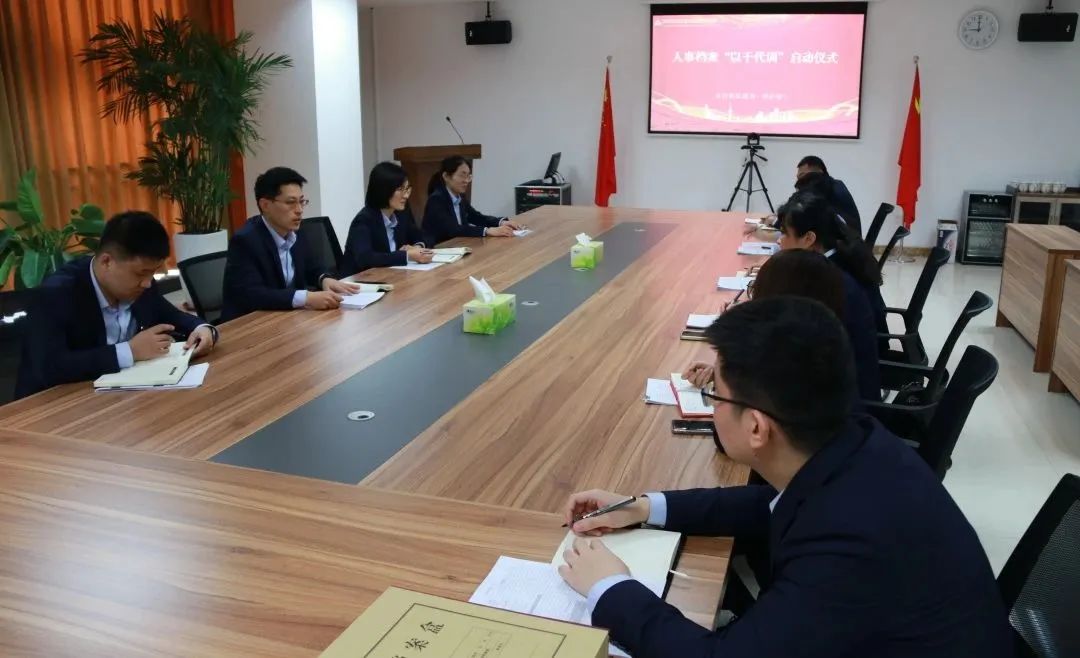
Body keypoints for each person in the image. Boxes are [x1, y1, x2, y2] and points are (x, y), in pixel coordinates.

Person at [557, 297, 1014, 658]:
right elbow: (768, 505)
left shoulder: (847, 546)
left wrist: (609, 587)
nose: (711, 404)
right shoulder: (855, 442)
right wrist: (643, 507)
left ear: (757, 427)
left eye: (715, 393)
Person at [15, 211, 218, 398]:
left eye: (153, 272)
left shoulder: (142, 285)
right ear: (107, 262)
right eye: (141, 273)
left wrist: (203, 329)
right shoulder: (57, 294)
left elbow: (173, 316)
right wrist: (130, 351)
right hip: (53, 407)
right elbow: (50, 367)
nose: (148, 283)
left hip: (122, 399)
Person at [685, 249, 881, 402]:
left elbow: (735, 431)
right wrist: (725, 375)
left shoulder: (803, 368)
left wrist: (726, 353)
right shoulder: (815, 337)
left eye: (759, 292)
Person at [221, 167, 360, 321]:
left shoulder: (296, 232)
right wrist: (305, 298)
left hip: (288, 318)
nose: (299, 210)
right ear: (265, 205)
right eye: (291, 202)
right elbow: (253, 294)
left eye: (302, 202)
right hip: (250, 324)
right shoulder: (245, 241)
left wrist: (324, 279)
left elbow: (312, 266)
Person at [777, 191, 887, 336]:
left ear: (809, 239)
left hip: (856, 346)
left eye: (784, 233)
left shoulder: (828, 275)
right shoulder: (839, 251)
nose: (779, 240)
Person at [341, 162, 433, 274]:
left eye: (407, 188)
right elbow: (365, 258)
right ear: (383, 190)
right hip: (361, 280)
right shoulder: (364, 220)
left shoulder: (401, 214)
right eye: (400, 189)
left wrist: (417, 246)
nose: (406, 195)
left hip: (391, 275)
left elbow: (424, 236)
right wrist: (406, 255)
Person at [422, 155, 525, 245]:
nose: (466, 181)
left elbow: (475, 216)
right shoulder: (436, 199)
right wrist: (487, 231)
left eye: (468, 176)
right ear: (446, 176)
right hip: (440, 250)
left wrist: (501, 222)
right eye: (462, 175)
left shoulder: (459, 197)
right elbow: (453, 229)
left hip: (458, 246)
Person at [796, 155, 862, 236]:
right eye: (798, 178)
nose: (799, 181)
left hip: (843, 240)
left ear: (818, 172)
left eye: (802, 175)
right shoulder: (834, 185)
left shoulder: (825, 188)